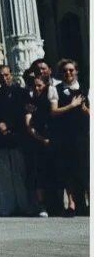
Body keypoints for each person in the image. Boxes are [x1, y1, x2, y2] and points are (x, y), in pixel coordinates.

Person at [0, 65, 33, 216]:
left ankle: (25, 205)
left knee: (20, 172)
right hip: (1, 139)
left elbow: (26, 113)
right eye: (0, 76)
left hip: (18, 137)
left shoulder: (23, 93)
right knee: (4, 174)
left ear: (11, 75)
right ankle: (7, 206)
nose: (4, 78)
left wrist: (10, 125)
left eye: (6, 75)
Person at [48, 59, 89, 216]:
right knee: (68, 169)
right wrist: (72, 105)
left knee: (86, 168)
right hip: (64, 135)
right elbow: (53, 111)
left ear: (76, 71)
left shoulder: (85, 89)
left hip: (83, 134)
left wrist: (86, 110)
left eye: (71, 70)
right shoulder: (55, 89)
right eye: (65, 71)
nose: (68, 73)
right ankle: (71, 204)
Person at [24, 75, 56, 217]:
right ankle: (41, 205)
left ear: (45, 86)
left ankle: (55, 204)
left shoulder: (51, 100)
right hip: (37, 141)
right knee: (39, 173)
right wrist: (41, 139)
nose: (37, 88)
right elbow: (28, 125)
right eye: (34, 86)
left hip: (53, 138)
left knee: (53, 171)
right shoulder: (30, 103)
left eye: (40, 86)